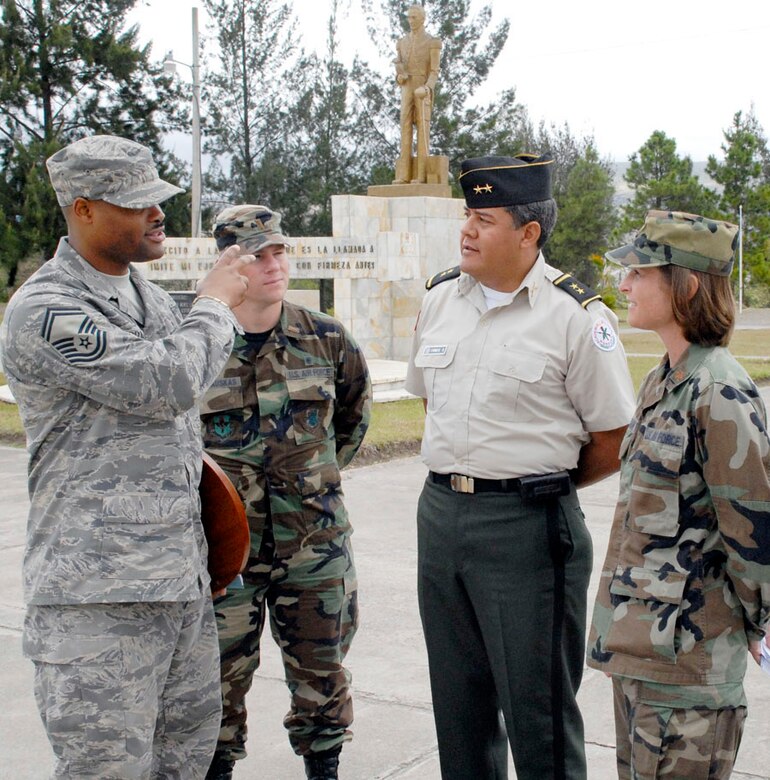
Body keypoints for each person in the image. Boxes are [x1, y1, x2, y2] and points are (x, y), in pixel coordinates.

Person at [0, 134, 252, 778]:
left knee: (184, 765)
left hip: (179, 589)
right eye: (134, 203)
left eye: (156, 199)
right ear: (82, 210)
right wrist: (217, 302)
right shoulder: (47, 307)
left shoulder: (147, 297)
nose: (155, 214)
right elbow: (168, 380)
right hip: (97, 602)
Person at [405, 152, 637, 780]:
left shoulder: (578, 317)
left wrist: (538, 481)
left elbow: (614, 436)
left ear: (529, 232)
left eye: (483, 218)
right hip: (442, 517)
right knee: (459, 710)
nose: (466, 230)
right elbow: (431, 399)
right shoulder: (440, 300)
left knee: (538, 716)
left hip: (527, 529)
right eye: (466, 215)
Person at [587, 210, 770, 779]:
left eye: (640, 271)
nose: (624, 283)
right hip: (642, 653)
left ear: (686, 285)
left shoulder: (720, 392)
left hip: (690, 670)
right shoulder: (663, 380)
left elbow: (756, 533)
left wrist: (759, 623)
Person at [201, 205, 372, 780]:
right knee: (215, 684)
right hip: (226, 555)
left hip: (314, 549)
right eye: (256, 256)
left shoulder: (324, 338)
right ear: (229, 264)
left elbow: (351, 421)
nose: (273, 265)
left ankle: (324, 769)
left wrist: (307, 485)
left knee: (322, 680)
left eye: (278, 252)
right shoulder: (199, 346)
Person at [393, 4, 442, 185]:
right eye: (409, 18)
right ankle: (403, 174)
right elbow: (398, 70)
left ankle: (420, 175)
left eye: (414, 18)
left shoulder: (432, 42)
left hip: (422, 86)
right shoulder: (402, 42)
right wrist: (399, 76)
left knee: (422, 131)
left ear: (422, 19)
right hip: (406, 87)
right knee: (404, 128)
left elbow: (435, 71)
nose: (411, 21)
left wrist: (428, 88)